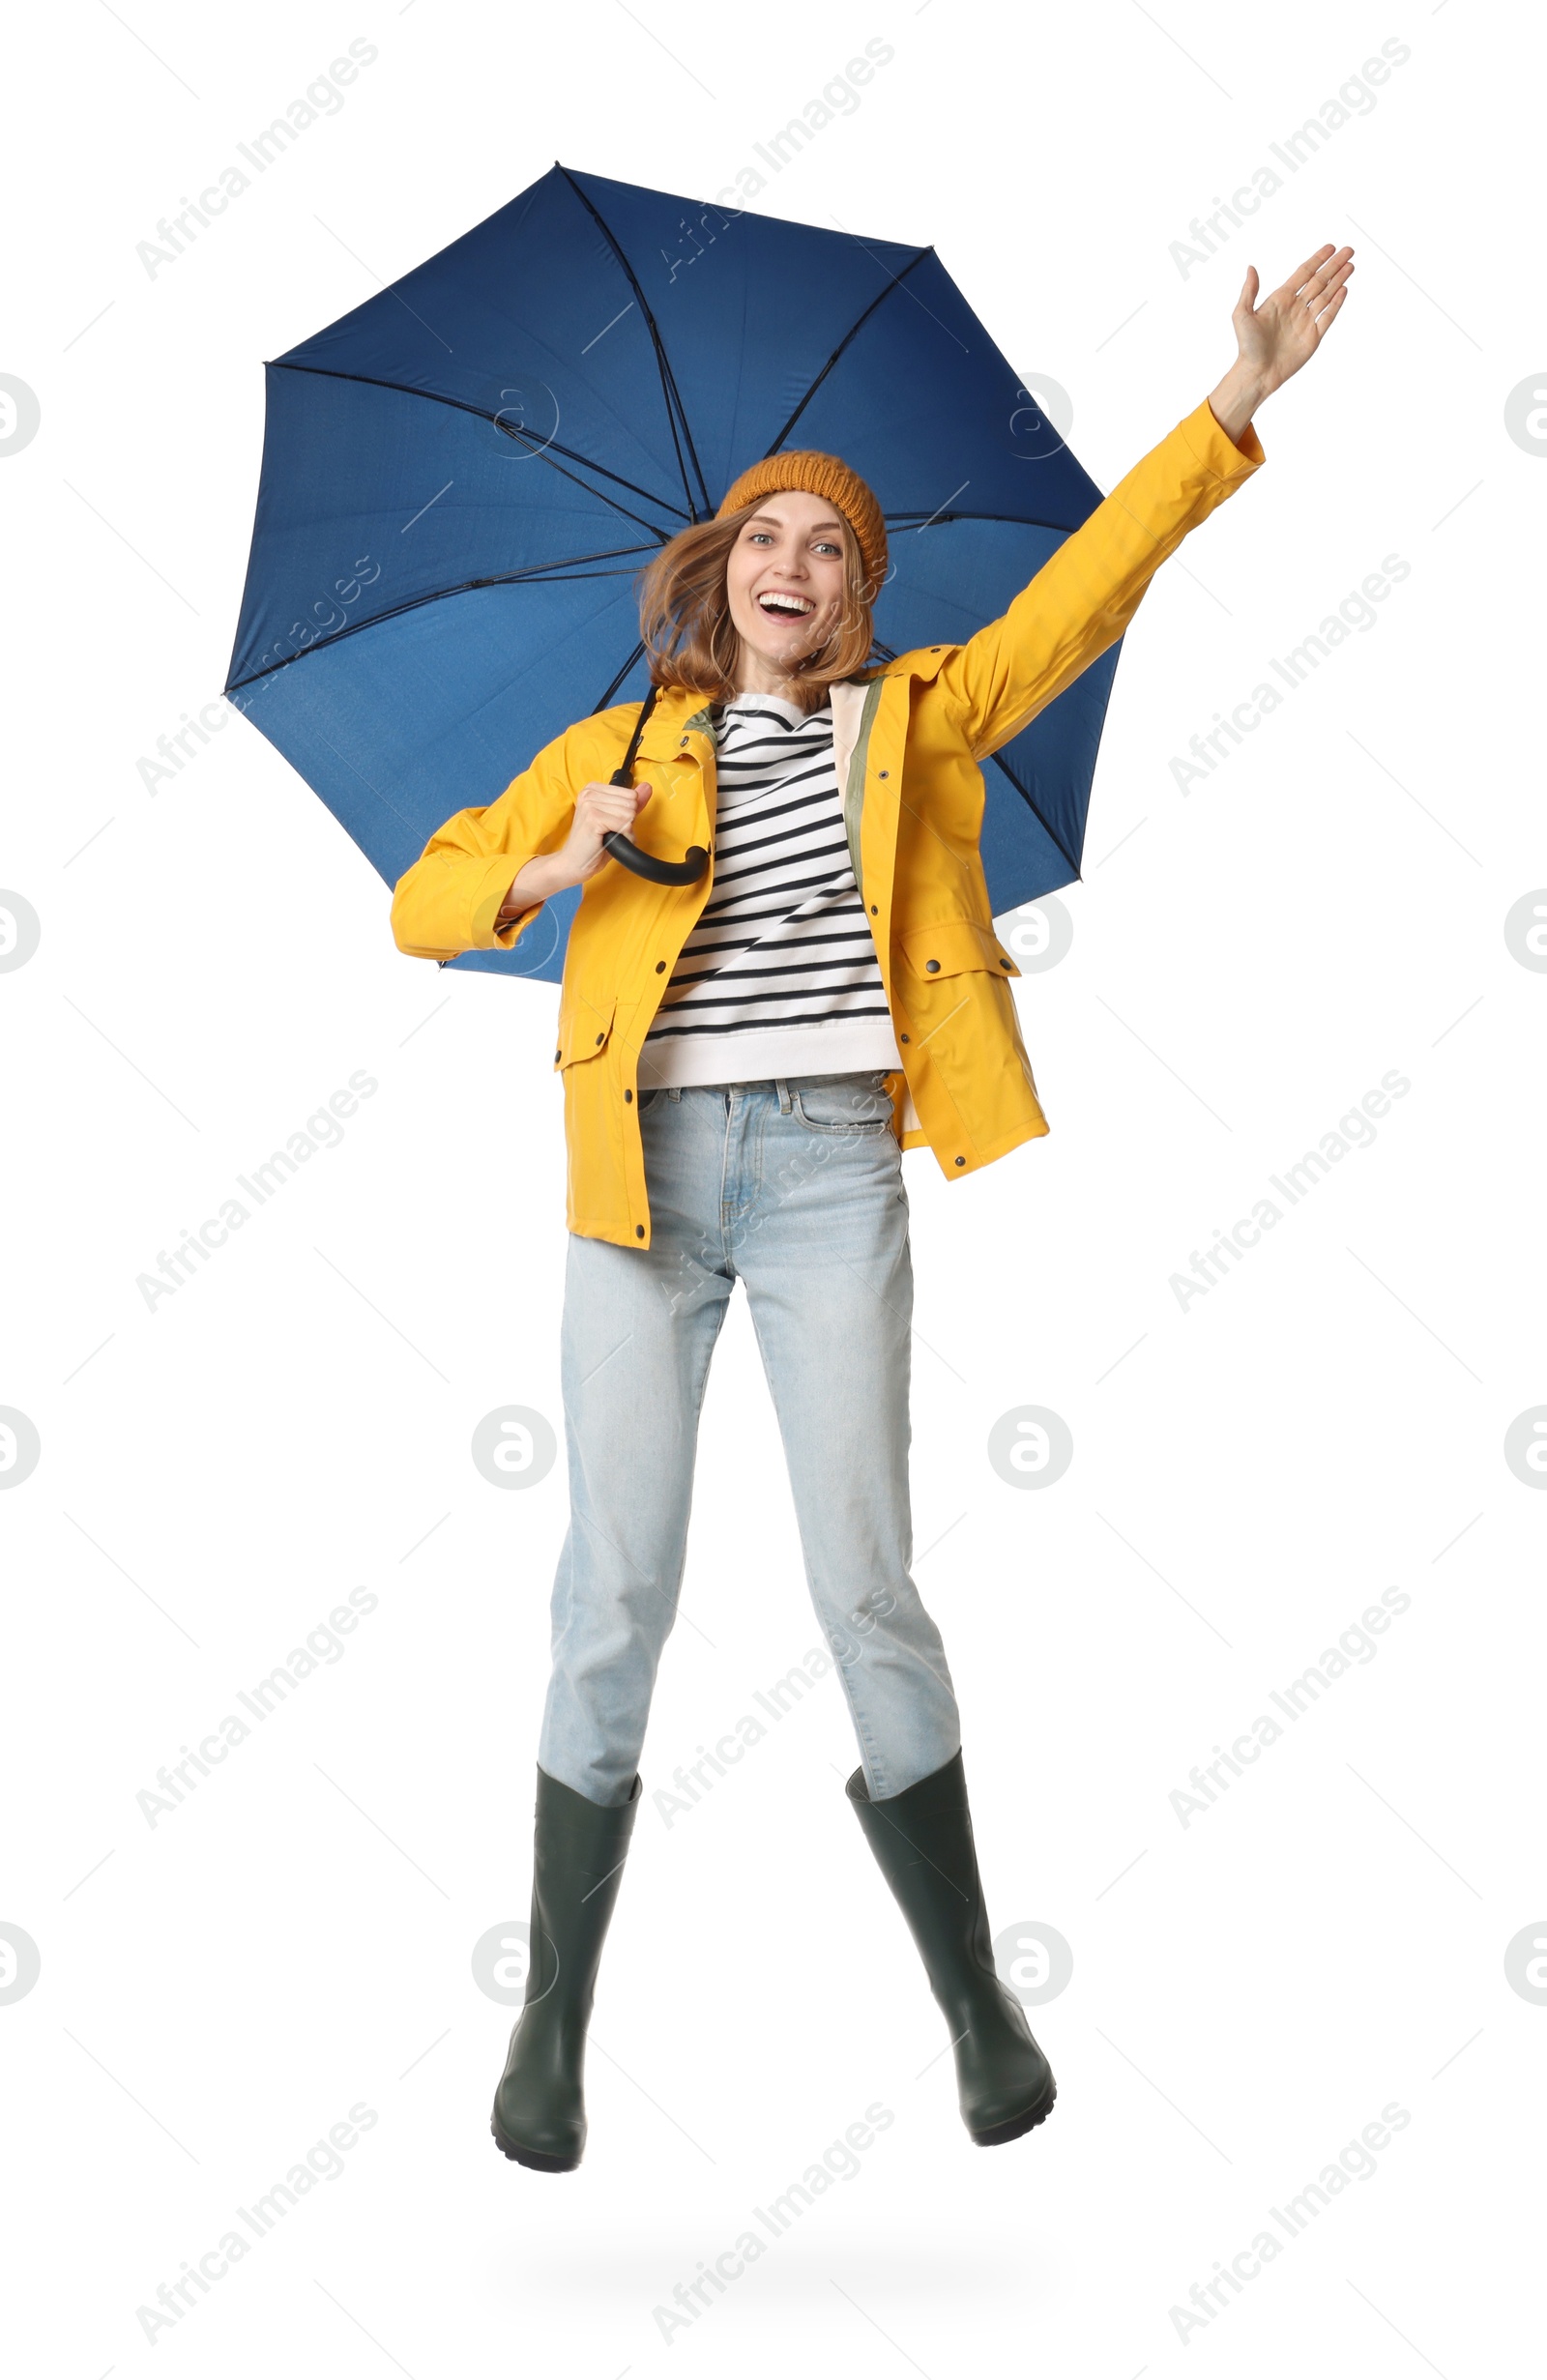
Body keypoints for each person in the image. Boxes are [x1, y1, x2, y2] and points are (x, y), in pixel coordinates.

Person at [391, 245, 1355, 2172]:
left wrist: (1232, 401)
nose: (796, 563)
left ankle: (973, 2000)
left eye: (830, 545)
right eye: (767, 533)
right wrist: (548, 863)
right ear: (715, 569)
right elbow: (420, 896)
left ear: (859, 594)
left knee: (864, 1585)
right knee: (615, 1594)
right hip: (633, 1188)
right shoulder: (615, 752)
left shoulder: (916, 719)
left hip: (829, 1169)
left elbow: (1082, 599)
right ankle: (553, 2022)